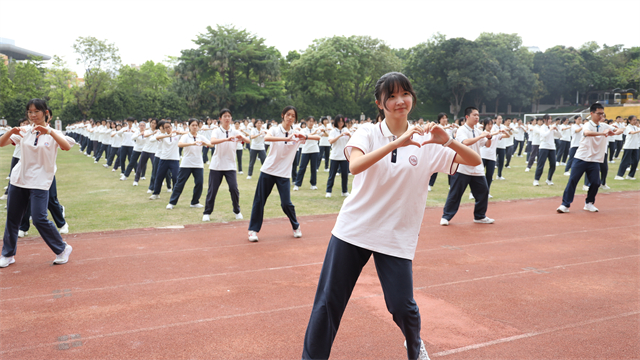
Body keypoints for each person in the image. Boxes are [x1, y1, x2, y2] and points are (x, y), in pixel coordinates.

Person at [302, 72, 481, 360]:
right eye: (392, 97)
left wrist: (447, 141)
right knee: (327, 304)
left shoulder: (427, 142)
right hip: (354, 230)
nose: (400, 101)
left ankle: (415, 346)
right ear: (380, 103)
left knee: (402, 306)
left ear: (412, 98)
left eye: (405, 94)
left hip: (396, 235)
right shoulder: (367, 133)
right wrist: (397, 143)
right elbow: (356, 165)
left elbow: (474, 161)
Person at [0, 99, 74, 268]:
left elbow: (66, 147)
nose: (33, 115)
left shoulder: (54, 133)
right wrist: (11, 131)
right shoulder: (25, 131)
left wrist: (49, 132)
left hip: (40, 181)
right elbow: (1, 143)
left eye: (36, 112)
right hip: (19, 179)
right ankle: (8, 254)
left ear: (45, 113)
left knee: (39, 218)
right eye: (30, 112)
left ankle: (62, 248)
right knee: (13, 218)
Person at [247, 106, 311, 242]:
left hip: (284, 173)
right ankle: (253, 230)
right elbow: (267, 138)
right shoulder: (275, 130)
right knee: (259, 201)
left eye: (293, 116)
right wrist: (285, 139)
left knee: (286, 203)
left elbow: (315, 137)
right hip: (268, 170)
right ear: (282, 115)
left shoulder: (297, 132)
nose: (290, 118)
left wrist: (303, 136)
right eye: (288, 115)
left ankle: (296, 226)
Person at [557, 104, 624, 213]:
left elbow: (620, 129)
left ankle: (589, 203)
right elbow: (587, 133)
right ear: (592, 113)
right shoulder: (587, 125)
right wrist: (603, 133)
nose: (601, 116)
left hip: (595, 159)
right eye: (599, 113)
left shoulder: (604, 125)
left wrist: (614, 132)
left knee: (596, 182)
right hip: (582, 158)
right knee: (573, 180)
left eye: (602, 114)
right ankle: (565, 204)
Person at [440, 106, 494, 226]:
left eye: (478, 115)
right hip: (462, 167)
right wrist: (481, 136)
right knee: (455, 194)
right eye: (474, 115)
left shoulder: (478, 131)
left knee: (483, 192)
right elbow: (465, 142)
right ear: (467, 117)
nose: (477, 117)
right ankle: (446, 216)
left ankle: (480, 216)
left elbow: (487, 145)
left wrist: (489, 137)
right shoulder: (461, 130)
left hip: (477, 169)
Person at [202, 110, 250, 221]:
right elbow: (212, 141)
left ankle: (237, 211)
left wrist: (241, 138)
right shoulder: (216, 130)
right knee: (212, 190)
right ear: (220, 119)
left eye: (229, 116)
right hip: (217, 165)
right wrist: (226, 139)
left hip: (230, 165)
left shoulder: (235, 131)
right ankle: (207, 212)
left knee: (234, 189)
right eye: (225, 116)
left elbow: (247, 141)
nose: (227, 118)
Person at [166, 119, 210, 209]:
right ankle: (172, 202)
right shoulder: (186, 136)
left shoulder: (201, 137)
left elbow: (211, 144)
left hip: (198, 164)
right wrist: (192, 143)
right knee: (180, 183)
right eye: (193, 125)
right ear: (189, 126)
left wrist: (205, 143)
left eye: (196, 125)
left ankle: (195, 202)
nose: (194, 127)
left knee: (199, 183)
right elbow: (180, 144)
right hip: (186, 163)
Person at [149, 120, 184, 200]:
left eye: (169, 127)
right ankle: (156, 193)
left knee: (175, 176)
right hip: (164, 159)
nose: (168, 129)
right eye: (166, 128)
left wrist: (179, 132)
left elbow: (187, 133)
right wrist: (167, 136)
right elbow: (153, 139)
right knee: (159, 176)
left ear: (171, 127)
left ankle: (175, 193)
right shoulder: (162, 136)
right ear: (164, 129)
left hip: (174, 159)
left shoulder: (176, 135)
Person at [325, 115, 351, 198]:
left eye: (342, 121)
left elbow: (352, 140)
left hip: (344, 156)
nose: (341, 123)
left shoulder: (346, 130)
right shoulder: (333, 131)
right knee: (332, 175)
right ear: (336, 122)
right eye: (339, 121)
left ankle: (344, 191)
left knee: (345, 175)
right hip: (335, 156)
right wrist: (340, 135)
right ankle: (328, 191)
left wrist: (349, 135)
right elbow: (331, 141)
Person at [294, 116, 321, 191]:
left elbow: (318, 138)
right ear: (306, 122)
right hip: (305, 150)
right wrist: (313, 134)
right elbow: (304, 137)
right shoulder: (303, 130)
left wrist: (310, 135)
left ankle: (313, 184)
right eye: (309, 121)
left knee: (313, 168)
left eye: (312, 121)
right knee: (302, 167)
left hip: (315, 150)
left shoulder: (316, 130)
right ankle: (297, 184)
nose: (311, 123)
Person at [533, 115, 560, 186]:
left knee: (553, 164)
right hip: (544, 147)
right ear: (545, 120)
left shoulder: (550, 127)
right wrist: (550, 129)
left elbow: (560, 136)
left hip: (552, 148)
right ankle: (536, 180)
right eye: (549, 119)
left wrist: (556, 129)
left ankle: (549, 179)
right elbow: (544, 135)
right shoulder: (542, 127)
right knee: (541, 164)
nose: (550, 120)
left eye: (551, 119)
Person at [614, 115, 639, 180]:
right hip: (629, 146)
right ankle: (619, 175)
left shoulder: (636, 127)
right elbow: (632, 132)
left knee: (635, 161)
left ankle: (630, 175)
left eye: (635, 120)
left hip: (636, 146)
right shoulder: (628, 127)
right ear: (629, 121)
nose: (635, 121)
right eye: (633, 120)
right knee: (625, 161)